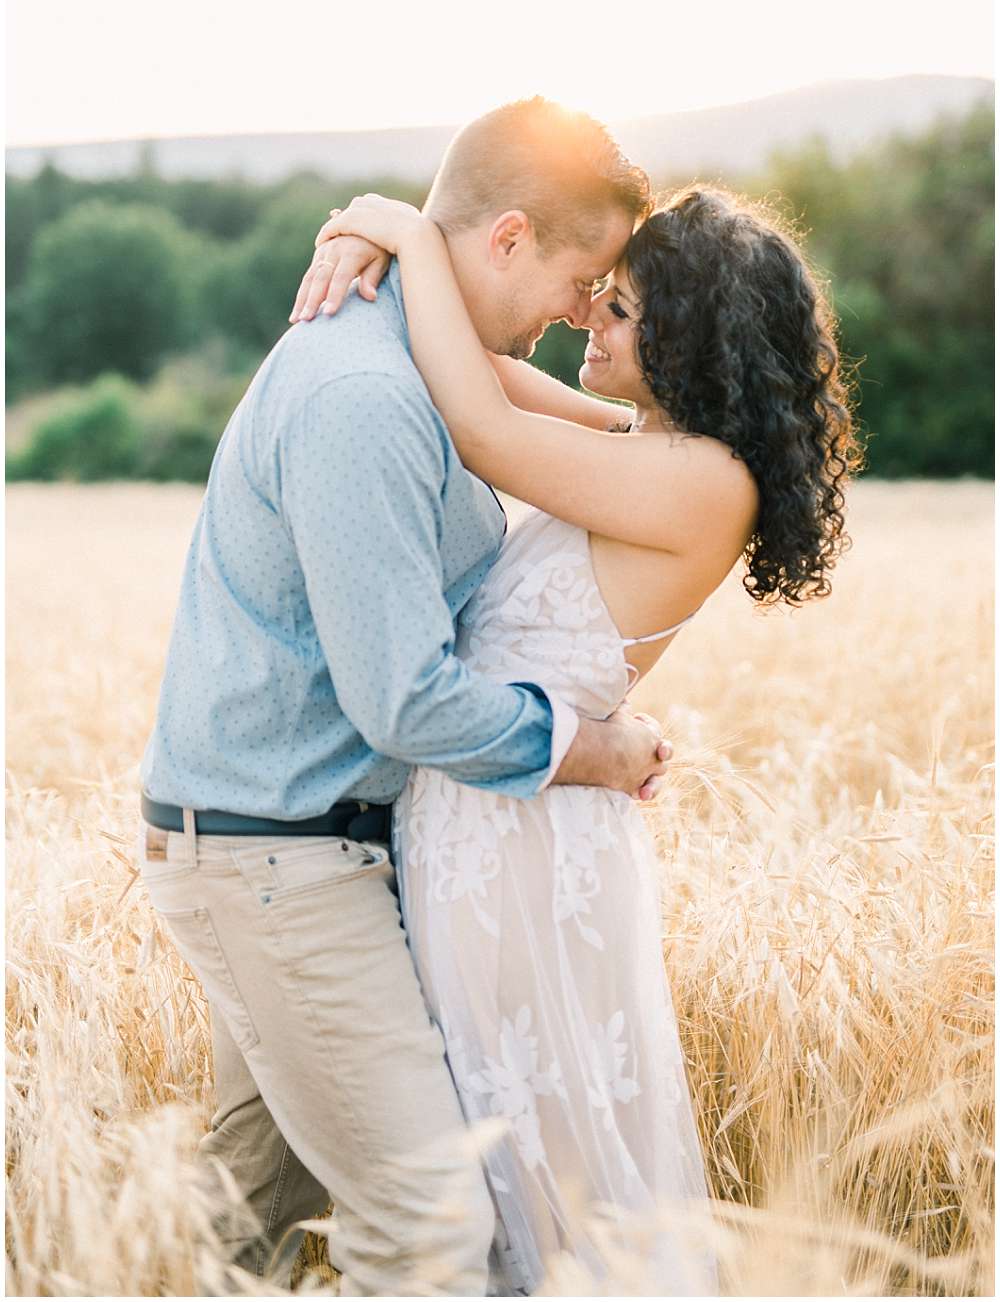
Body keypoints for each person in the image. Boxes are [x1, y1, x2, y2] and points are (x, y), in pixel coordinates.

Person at [136, 97, 676, 1298]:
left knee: (252, 1236)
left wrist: (386, 228)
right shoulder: (365, 397)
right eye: (582, 280)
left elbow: (535, 410)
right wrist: (590, 750)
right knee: (429, 1227)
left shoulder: (421, 358)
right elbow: (404, 702)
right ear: (508, 239)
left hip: (311, 853)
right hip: (277, 863)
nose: (582, 312)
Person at [289, 180, 860, 1293]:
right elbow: (485, 369)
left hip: (520, 851)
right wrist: (387, 247)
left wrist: (402, 229)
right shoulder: (645, 443)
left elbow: (480, 421)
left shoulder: (702, 484)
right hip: (487, 816)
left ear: (690, 341)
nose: (585, 321)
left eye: (620, 310)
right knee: (489, 1139)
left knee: (527, 1160)